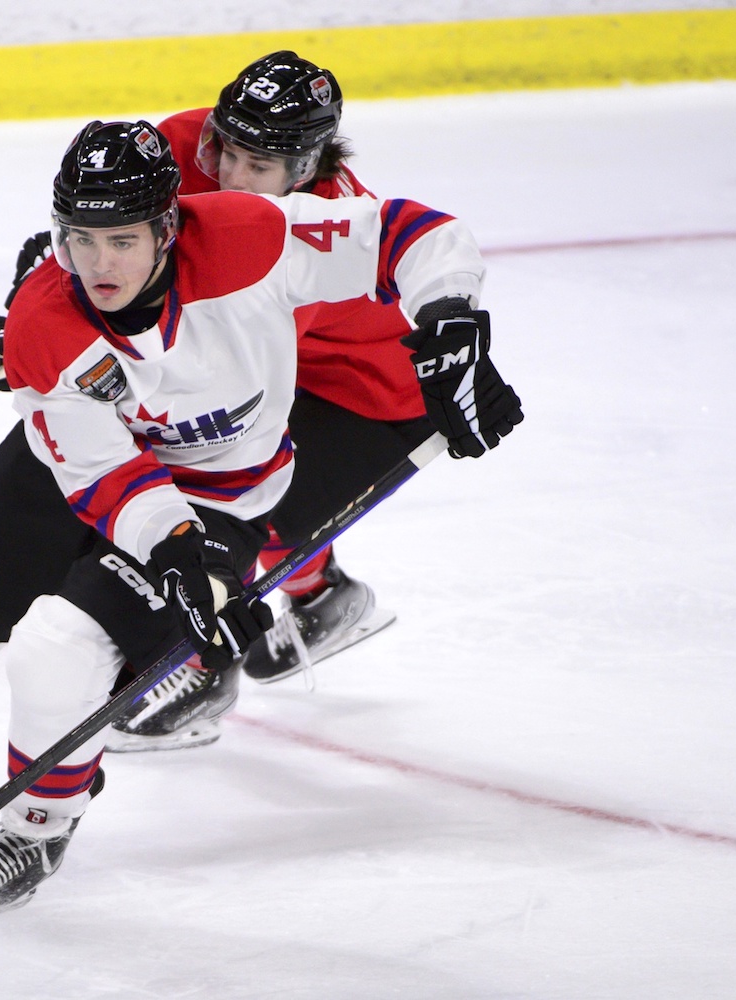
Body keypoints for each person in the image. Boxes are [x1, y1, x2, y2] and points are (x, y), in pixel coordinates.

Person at [0, 119, 506, 921]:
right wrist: (176, 558)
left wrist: (451, 320)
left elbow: (410, 233)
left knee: (59, 649)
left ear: (167, 228)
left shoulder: (252, 239)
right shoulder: (46, 320)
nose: (100, 265)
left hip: (219, 493)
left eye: (122, 240)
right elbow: (102, 470)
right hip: (84, 470)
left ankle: (36, 828)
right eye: (80, 239)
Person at [97, 51, 527, 751]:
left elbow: (228, 370)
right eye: (225, 149)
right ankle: (320, 596)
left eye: (256, 166)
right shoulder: (177, 148)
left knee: (223, 497)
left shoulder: (314, 229)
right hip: (301, 371)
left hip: (375, 394)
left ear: (306, 169)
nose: (229, 176)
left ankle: (206, 669)